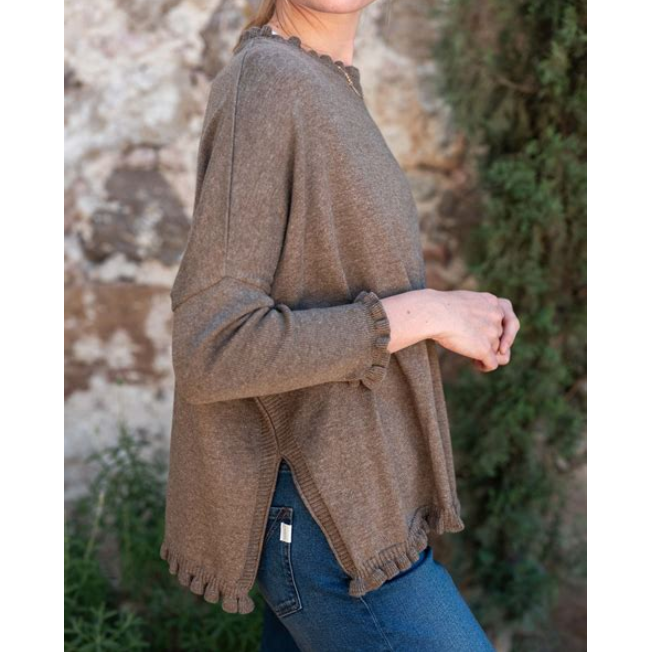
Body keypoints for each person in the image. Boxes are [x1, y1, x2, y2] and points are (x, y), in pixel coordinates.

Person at [160, 1, 519, 650]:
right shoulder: (268, 81)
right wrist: (429, 313)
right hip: (330, 519)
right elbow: (214, 345)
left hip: (352, 503)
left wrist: (451, 310)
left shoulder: (326, 81)